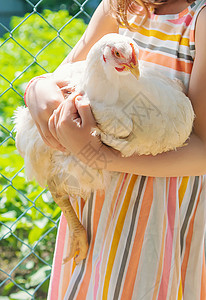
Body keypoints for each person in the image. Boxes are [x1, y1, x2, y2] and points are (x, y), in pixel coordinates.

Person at [25, 0, 206, 299]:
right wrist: (38, 90)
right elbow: (68, 74)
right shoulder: (120, 5)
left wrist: (97, 156)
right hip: (94, 208)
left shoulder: (199, 19)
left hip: (159, 218)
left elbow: (202, 151)